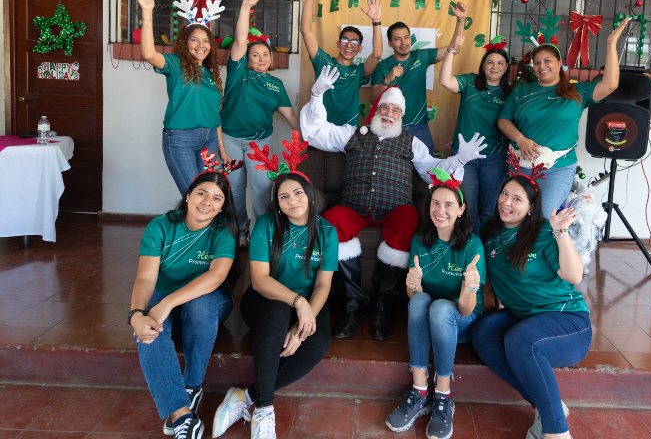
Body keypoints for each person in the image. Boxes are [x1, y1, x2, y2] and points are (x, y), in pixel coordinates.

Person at [300, 65, 487, 341]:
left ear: (402, 116)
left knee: (410, 221)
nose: (389, 114)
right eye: (385, 109)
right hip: (353, 206)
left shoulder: (411, 143)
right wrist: (317, 96)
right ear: (376, 110)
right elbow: (316, 132)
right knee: (332, 223)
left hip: (394, 209)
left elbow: (434, 172)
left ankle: (383, 303)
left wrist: (459, 160)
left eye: (395, 111)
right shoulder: (352, 133)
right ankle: (355, 301)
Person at [212, 135, 338, 439]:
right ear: (277, 203)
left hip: (307, 301)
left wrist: (304, 319)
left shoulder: (327, 232)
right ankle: (265, 410)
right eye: (284, 197)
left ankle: (246, 397)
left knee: (316, 344)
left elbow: (323, 284)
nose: (293, 201)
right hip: (265, 299)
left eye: (298, 193)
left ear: (309, 195)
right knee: (279, 313)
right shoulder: (266, 226)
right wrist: (298, 302)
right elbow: (260, 280)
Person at [471, 172, 587, 439]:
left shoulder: (544, 230)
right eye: (504, 194)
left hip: (566, 320)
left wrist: (561, 232)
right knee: (484, 333)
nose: (506, 202)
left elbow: (573, 276)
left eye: (516, 199)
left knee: (520, 340)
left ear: (531, 207)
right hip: (523, 317)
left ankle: (557, 432)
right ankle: (549, 407)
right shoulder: (490, 234)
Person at [129, 170, 237, 439]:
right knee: (149, 331)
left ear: (222, 206)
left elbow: (216, 276)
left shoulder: (223, 232)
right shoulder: (161, 225)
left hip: (208, 300)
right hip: (163, 296)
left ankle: (192, 385)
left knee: (198, 305)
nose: (207, 202)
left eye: (216, 198)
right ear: (188, 195)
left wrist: (167, 303)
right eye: (201, 193)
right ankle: (181, 414)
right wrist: (135, 315)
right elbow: (145, 277)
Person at [385, 170, 485, 439]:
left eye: (449, 205)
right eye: (435, 204)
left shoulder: (472, 246)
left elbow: (465, 309)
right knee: (420, 301)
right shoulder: (420, 240)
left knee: (441, 308)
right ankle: (419, 391)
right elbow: (413, 296)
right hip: (430, 317)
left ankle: (443, 394)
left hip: (460, 321)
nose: (441, 211)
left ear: (462, 209)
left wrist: (470, 285)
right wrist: (413, 283)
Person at [497, 17, 631, 217]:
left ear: (559, 63)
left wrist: (611, 45)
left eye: (547, 61)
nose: (541, 67)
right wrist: (520, 139)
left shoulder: (578, 92)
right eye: (537, 63)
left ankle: (537, 250)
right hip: (521, 165)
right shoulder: (521, 92)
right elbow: (503, 120)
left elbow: (610, 84)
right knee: (515, 216)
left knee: (543, 216)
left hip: (557, 168)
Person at [127, 0, 226, 196]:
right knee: (194, 195)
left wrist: (221, 147)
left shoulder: (211, 73)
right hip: (180, 138)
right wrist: (147, 13)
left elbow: (215, 114)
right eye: (194, 40)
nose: (201, 45)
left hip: (209, 138)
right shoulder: (175, 64)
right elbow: (149, 54)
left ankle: (205, 231)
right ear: (185, 43)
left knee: (211, 194)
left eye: (206, 41)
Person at [220, 0, 300, 241]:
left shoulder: (276, 85)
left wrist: (308, 138)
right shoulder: (238, 73)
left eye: (265, 54)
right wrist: (246, 7)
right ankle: (240, 230)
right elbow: (241, 40)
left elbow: (290, 117)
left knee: (264, 189)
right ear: (247, 59)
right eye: (255, 55)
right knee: (233, 189)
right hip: (230, 140)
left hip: (259, 143)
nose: (262, 58)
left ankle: (258, 234)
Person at [369, 2, 468, 154]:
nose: (404, 43)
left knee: (426, 172)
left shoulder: (421, 56)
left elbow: (454, 49)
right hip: (391, 126)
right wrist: (387, 80)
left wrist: (460, 21)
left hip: (419, 128)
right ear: (390, 42)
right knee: (394, 174)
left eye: (406, 37)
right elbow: (372, 99)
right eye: (397, 39)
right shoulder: (383, 66)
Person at [439, 26, 511, 233]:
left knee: (489, 210)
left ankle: (485, 256)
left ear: (506, 68)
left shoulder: (510, 93)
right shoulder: (470, 82)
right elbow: (445, 80)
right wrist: (451, 51)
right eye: (490, 62)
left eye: (500, 63)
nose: (494, 67)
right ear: (483, 66)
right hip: (464, 158)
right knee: (467, 210)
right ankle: (470, 254)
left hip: (494, 158)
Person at [300, 0, 383, 126]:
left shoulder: (359, 71)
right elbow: (305, 31)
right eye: (345, 40)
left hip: (347, 132)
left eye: (354, 42)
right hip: (320, 129)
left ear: (359, 49)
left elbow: (377, 54)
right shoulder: (324, 62)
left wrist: (376, 20)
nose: (349, 45)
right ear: (338, 44)